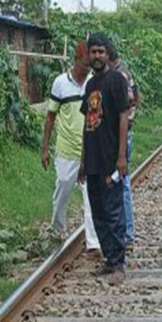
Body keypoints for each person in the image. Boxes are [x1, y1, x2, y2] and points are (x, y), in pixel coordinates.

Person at [78, 33, 130, 285]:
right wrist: (83, 161)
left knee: (113, 212)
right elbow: (87, 123)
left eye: (101, 51)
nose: (97, 56)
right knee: (98, 211)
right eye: (93, 52)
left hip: (110, 157)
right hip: (93, 158)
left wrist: (121, 157)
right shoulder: (89, 86)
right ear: (88, 56)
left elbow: (123, 118)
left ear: (107, 54)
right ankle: (109, 259)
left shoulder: (116, 81)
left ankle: (119, 263)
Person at [41, 42, 100, 251]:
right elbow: (50, 117)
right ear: (76, 60)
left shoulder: (94, 83)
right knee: (63, 188)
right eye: (86, 64)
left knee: (91, 196)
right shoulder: (60, 83)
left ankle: (93, 243)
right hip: (67, 149)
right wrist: (45, 148)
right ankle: (57, 230)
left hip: (89, 150)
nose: (89, 68)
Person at [108, 44, 139, 248]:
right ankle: (126, 230)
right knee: (122, 181)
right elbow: (136, 99)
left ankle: (127, 232)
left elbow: (129, 100)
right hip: (127, 131)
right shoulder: (125, 71)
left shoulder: (119, 75)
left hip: (123, 133)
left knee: (123, 182)